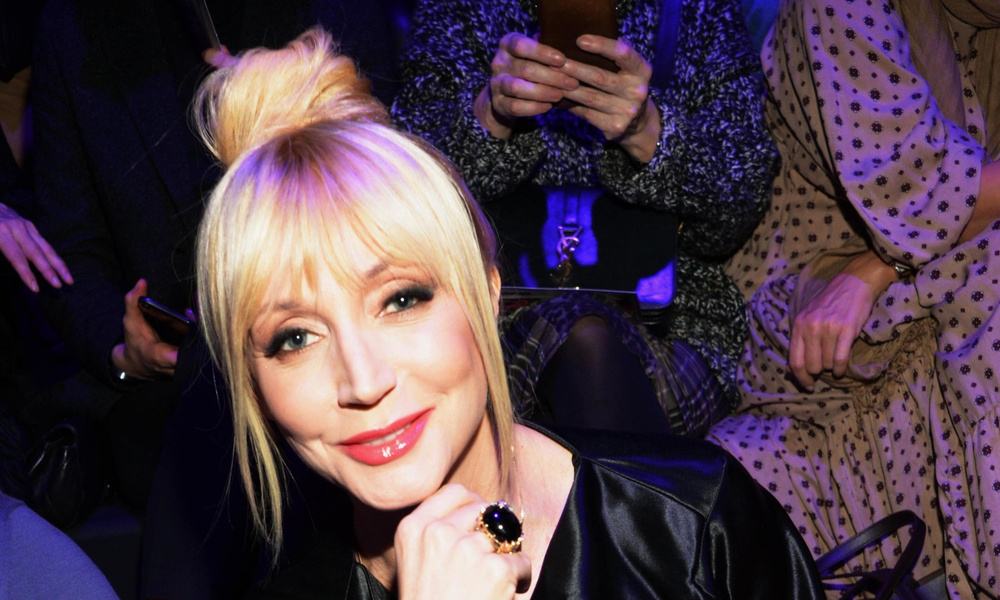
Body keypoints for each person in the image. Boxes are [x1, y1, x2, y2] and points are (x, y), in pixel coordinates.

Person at [191, 28, 823, 599]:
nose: (363, 380)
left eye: (400, 299)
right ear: (251, 380)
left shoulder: (692, 527)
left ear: (487, 292)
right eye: (295, 337)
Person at [707, 0, 1000, 596]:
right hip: (814, 294)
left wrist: (880, 268)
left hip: (899, 270)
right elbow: (924, 195)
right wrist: (880, 264)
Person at [391, 0, 779, 437]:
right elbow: (400, 198)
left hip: (666, 323)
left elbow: (738, 211)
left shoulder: (696, 10)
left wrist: (650, 133)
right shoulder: (462, 9)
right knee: (576, 338)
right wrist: (488, 115)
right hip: (490, 320)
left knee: (586, 341)